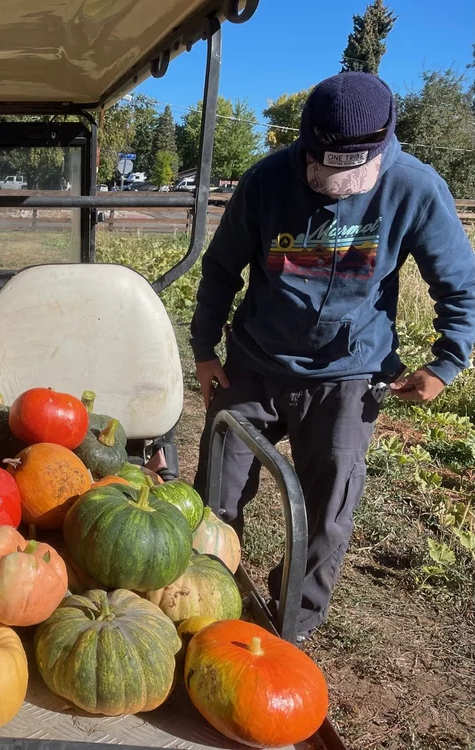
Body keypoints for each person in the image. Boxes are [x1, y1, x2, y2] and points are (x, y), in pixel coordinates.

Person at [190, 71, 475, 641]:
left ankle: (292, 623)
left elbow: (460, 286)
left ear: (382, 145)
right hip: (254, 362)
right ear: (305, 142)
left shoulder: (413, 188)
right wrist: (203, 348)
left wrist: (446, 362)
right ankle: (198, 599)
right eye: (324, 165)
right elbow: (221, 268)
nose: (335, 181)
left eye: (351, 169)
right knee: (214, 495)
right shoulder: (267, 180)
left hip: (349, 376)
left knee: (327, 515)